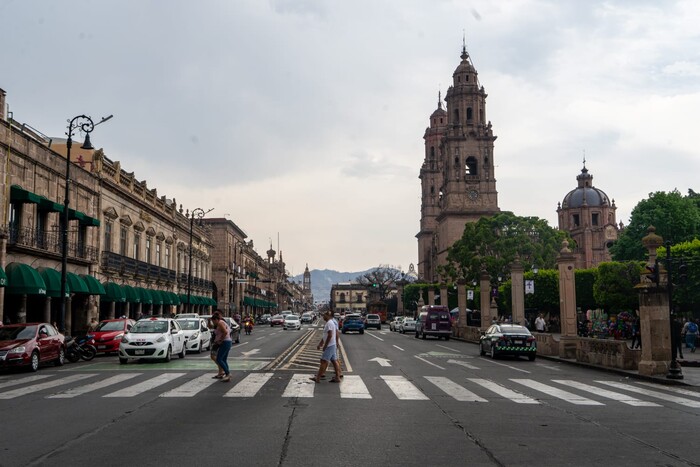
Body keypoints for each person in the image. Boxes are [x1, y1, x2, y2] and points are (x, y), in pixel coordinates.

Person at [310, 311, 341, 383]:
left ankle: (317, 378)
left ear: (328, 316)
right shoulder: (330, 323)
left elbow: (330, 335)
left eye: (324, 315)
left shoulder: (329, 323)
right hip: (332, 345)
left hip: (330, 345)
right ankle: (337, 377)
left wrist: (325, 346)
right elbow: (325, 335)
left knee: (323, 361)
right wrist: (320, 343)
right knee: (334, 361)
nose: (323, 316)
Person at [211, 311, 232, 382]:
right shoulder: (221, 322)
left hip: (225, 342)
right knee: (224, 359)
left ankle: (228, 373)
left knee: (219, 359)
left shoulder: (220, 323)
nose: (214, 323)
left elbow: (225, 332)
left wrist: (220, 340)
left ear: (216, 319)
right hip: (227, 342)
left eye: (213, 321)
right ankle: (227, 374)